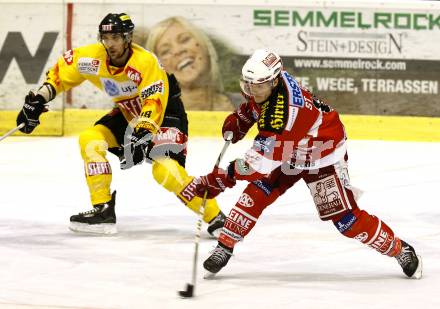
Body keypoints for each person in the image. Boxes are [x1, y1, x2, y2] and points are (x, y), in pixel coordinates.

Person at [194, 49, 423, 279]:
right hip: (288, 151)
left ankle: (399, 249)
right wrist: (241, 119)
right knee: (254, 196)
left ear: (274, 82)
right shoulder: (269, 86)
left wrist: (222, 179)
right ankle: (224, 246)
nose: (252, 91)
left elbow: (256, 164)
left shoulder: (285, 114)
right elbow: (257, 107)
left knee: (346, 221)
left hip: (322, 157)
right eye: (248, 85)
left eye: (258, 86)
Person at [15, 13, 226, 236]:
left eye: (116, 37)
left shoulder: (145, 62)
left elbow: (154, 102)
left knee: (164, 170)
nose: (110, 43)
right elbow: (60, 74)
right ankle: (103, 209)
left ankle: (216, 217)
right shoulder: (91, 59)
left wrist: (143, 131)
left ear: (127, 38)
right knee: (90, 139)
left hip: (165, 114)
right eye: (106, 38)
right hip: (127, 115)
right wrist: (38, 100)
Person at [145, 16, 233, 111]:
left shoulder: (245, 106)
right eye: (165, 51)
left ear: (204, 45)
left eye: (184, 40)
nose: (178, 51)